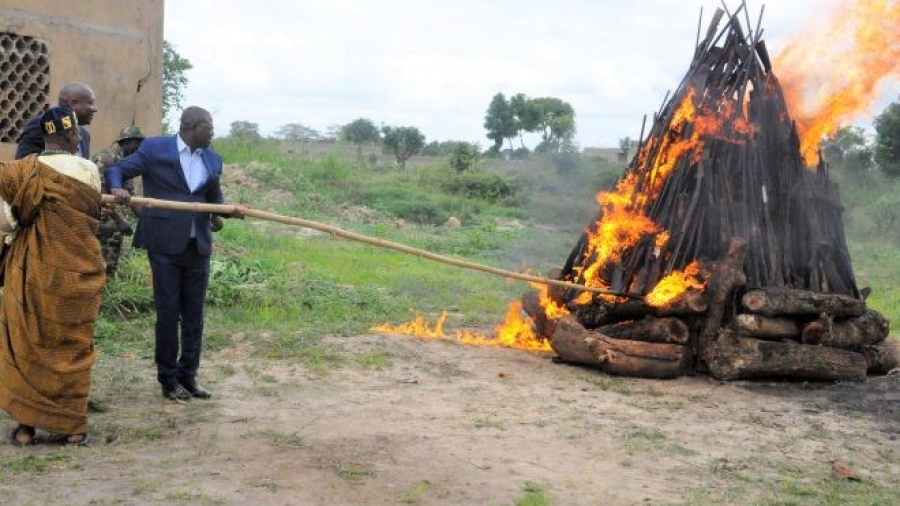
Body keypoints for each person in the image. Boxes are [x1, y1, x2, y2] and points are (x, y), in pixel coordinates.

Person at [107, 106, 246, 401]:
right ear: (191, 127)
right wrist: (118, 188)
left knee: (194, 316)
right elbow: (117, 169)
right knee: (169, 314)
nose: (213, 131)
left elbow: (213, 200)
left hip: (198, 247)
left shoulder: (212, 158)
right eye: (209, 126)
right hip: (164, 245)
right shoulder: (157, 149)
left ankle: (189, 376)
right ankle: (168, 379)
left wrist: (227, 214)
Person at [0, 107, 105, 446]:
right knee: (71, 345)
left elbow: (7, 223)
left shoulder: (21, 171)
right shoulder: (88, 170)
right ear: (73, 136)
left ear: (45, 137)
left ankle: (26, 429)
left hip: (31, 270)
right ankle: (73, 427)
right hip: (78, 271)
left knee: (29, 341)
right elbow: (90, 214)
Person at [94, 126, 145, 277]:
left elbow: (130, 196)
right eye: (138, 144)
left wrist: (146, 219)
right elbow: (99, 195)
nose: (140, 148)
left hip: (105, 208)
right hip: (91, 207)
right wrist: (119, 220)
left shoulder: (127, 161)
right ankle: (107, 276)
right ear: (128, 142)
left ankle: (107, 271)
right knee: (113, 230)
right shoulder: (106, 159)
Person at [15, 82, 97, 159]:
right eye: (90, 103)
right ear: (73, 103)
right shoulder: (41, 125)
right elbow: (24, 165)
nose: (95, 109)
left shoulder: (85, 135)